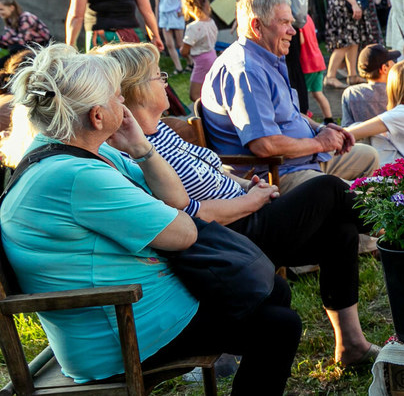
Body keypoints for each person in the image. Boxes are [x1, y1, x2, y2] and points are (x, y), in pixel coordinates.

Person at [0, 45, 300, 393]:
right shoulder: (76, 176)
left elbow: (178, 200)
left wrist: (143, 150)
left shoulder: (74, 151)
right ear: (97, 117)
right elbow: (184, 232)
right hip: (118, 335)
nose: (124, 105)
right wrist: (167, 209)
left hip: (134, 312)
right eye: (117, 98)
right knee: (279, 325)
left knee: (271, 290)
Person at [96, 42, 378, 368]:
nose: (165, 81)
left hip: (248, 214)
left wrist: (247, 185)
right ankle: (397, 224)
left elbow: (212, 171)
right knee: (327, 189)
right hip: (226, 237)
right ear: (138, 90)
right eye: (158, 76)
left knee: (340, 232)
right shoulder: (133, 149)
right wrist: (250, 200)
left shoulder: (160, 131)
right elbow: (185, 214)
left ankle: (352, 345)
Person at [201, 0, 378, 194]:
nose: (293, 31)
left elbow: (289, 114)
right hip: (274, 174)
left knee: (369, 156)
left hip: (299, 161)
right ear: (256, 26)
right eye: (285, 23)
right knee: (370, 198)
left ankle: (348, 221)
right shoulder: (246, 70)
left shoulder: (264, 58)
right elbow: (264, 145)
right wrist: (319, 144)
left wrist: (321, 128)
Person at [180, 0, 217, 103]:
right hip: (212, 55)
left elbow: (184, 51)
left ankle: (208, 112)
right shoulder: (211, 22)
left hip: (202, 61)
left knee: (194, 94)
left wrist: (184, 53)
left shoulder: (193, 27)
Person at [152, 0, 185, 73]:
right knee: (169, 44)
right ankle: (178, 67)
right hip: (164, 18)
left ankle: (190, 62)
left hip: (176, 16)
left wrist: (183, 11)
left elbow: (185, 1)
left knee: (180, 43)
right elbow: (157, 5)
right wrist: (156, 21)